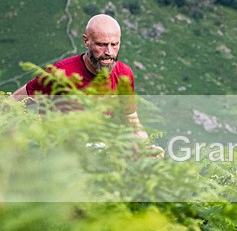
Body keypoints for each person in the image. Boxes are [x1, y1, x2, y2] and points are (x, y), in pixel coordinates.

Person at [11, 14, 157, 151]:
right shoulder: (60, 73)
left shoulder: (124, 73)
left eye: (115, 44)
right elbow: (13, 103)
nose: (109, 52)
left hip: (100, 158)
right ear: (86, 41)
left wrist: (148, 148)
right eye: (101, 45)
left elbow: (130, 119)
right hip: (57, 159)